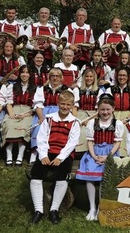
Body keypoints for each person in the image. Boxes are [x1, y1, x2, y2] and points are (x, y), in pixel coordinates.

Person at [28, 90, 81, 224]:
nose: (65, 107)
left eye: (68, 105)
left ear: (72, 106)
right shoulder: (49, 118)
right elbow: (42, 138)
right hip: (48, 151)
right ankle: (38, 210)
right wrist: (44, 155)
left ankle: (54, 209)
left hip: (64, 154)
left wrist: (60, 158)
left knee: (62, 176)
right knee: (36, 175)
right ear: (57, 103)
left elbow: (72, 143)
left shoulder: (74, 122)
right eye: (62, 104)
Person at [75, 94, 124, 221]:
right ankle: (92, 207)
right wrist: (94, 156)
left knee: (104, 177)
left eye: (108, 109)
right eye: (102, 109)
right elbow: (90, 142)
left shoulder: (117, 124)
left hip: (110, 153)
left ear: (113, 108)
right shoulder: (93, 123)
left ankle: (101, 207)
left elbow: (117, 143)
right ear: (98, 109)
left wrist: (107, 157)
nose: (105, 112)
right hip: (94, 152)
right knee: (90, 176)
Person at [32, 68, 80, 164]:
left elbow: (73, 106)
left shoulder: (67, 90)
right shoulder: (42, 89)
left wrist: (74, 118)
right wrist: (41, 117)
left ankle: (59, 153)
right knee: (38, 128)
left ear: (61, 78)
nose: (55, 78)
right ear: (49, 77)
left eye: (57, 76)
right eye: (52, 76)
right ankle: (36, 153)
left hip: (61, 112)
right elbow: (38, 105)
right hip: (44, 112)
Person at [2, 65, 36, 166]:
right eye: (22, 72)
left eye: (27, 72)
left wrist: (25, 115)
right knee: (9, 125)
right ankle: (9, 155)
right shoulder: (12, 86)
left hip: (27, 112)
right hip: (13, 109)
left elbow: (36, 107)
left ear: (30, 75)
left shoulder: (35, 88)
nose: (24, 75)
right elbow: (8, 102)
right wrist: (11, 113)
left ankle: (20, 156)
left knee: (24, 127)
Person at [76, 69, 102, 154]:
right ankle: (78, 152)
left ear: (94, 78)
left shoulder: (99, 91)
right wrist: (76, 119)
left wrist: (89, 120)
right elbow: (74, 107)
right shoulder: (78, 90)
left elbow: (99, 110)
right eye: (87, 76)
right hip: (80, 113)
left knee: (90, 129)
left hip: (93, 115)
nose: (89, 78)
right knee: (77, 129)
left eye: (91, 76)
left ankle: (90, 151)